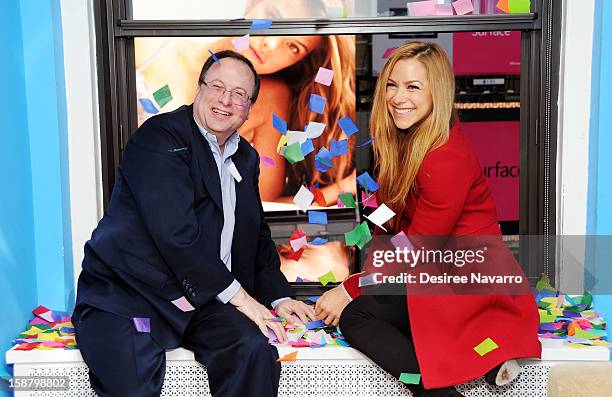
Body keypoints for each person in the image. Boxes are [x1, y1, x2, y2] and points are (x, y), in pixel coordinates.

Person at [73, 50, 315, 397]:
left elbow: (254, 236)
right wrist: (244, 300)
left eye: (239, 95)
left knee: (252, 351)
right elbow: (176, 234)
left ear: (249, 108)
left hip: (201, 301)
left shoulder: (245, 156)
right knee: (131, 383)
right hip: (130, 297)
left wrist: (277, 297)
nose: (225, 101)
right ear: (198, 89)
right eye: (217, 87)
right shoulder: (160, 138)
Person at [314, 42, 541, 397]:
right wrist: (374, 222)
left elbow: (417, 246)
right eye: (392, 84)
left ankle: (437, 392)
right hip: (441, 273)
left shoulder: (444, 159)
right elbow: (396, 220)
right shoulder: (410, 140)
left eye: (413, 86)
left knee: (357, 316)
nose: (397, 97)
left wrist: (350, 287)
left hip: (466, 283)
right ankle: (486, 356)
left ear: (438, 92)